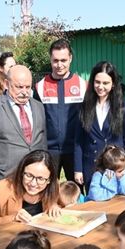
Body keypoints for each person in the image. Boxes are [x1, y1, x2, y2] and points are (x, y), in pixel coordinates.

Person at [0, 65, 47, 185]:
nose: (24, 92)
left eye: (28, 87)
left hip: (35, 180)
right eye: (19, 87)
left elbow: (42, 140)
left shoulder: (38, 107)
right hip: (6, 178)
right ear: (7, 84)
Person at [74, 61, 125, 193]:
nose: (100, 86)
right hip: (91, 167)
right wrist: (78, 169)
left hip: (117, 168)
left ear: (113, 84)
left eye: (105, 83)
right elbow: (78, 141)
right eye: (97, 82)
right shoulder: (82, 108)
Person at [34, 39, 86, 183]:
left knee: (76, 192)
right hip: (49, 151)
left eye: (63, 60)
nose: (59, 65)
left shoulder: (82, 85)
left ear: (70, 58)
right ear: (50, 59)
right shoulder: (39, 86)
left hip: (75, 150)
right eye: (55, 60)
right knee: (46, 191)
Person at [0, 150, 60, 227]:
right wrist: (13, 218)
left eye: (40, 179)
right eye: (29, 175)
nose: (33, 183)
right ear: (21, 172)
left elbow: (65, 202)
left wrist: (54, 204)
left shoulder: (53, 185)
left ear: (49, 180)